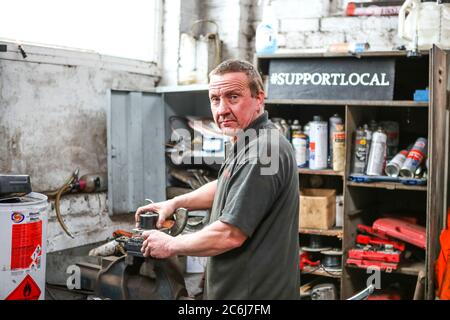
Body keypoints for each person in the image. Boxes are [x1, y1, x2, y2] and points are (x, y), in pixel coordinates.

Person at [135, 59, 300, 300]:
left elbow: (230, 234)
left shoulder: (262, 151)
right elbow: (227, 182)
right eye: (215, 99)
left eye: (233, 97)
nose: (221, 109)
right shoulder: (252, 137)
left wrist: (170, 245)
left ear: (259, 98)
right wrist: (175, 203)